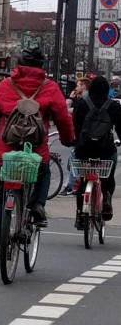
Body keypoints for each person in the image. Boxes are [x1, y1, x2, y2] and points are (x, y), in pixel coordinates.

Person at [0, 45, 74, 252]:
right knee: (43, 172)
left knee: (2, 194)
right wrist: (67, 138)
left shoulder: (6, 85)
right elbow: (63, 117)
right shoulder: (49, 87)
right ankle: (37, 205)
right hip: (35, 152)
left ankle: (0, 241)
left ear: (19, 64)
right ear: (42, 66)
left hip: (6, 151)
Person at [70, 75, 120, 223]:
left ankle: (80, 215)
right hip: (105, 150)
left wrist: (75, 141)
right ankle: (107, 197)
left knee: (83, 180)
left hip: (85, 149)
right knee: (108, 176)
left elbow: (75, 126)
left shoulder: (83, 105)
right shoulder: (113, 106)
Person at [60, 77, 91, 195]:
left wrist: (70, 99)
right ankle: (77, 184)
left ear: (83, 87)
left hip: (81, 137)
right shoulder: (86, 99)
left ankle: (72, 186)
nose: (75, 88)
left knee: (75, 159)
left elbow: (69, 114)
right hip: (89, 136)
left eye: (78, 86)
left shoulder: (84, 101)